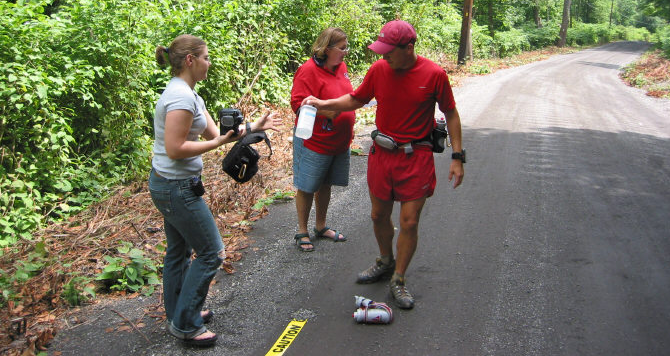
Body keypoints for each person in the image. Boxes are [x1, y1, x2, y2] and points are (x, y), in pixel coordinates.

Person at [302, 20, 464, 309]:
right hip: (382, 154)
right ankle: (385, 260)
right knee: (378, 215)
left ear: (409, 47)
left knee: (409, 221)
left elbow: (450, 113)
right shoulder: (379, 70)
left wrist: (457, 156)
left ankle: (398, 279)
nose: (384, 56)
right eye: (382, 50)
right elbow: (356, 98)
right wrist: (321, 104)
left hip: (416, 156)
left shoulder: (434, 74)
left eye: (389, 51)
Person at [149, 34, 279, 347]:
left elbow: (222, 133)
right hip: (176, 188)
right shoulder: (180, 98)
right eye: (206, 57)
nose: (209, 62)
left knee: (179, 252)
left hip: (170, 185)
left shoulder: (190, 95)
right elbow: (176, 148)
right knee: (212, 252)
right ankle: (185, 324)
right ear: (190, 60)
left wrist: (255, 127)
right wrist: (218, 144)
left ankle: (179, 312)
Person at [290, 28, 356, 251]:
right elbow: (297, 104)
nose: (346, 52)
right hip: (315, 141)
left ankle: (320, 226)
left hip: (338, 141)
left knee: (326, 183)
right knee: (307, 186)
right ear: (327, 49)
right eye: (342, 48)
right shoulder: (307, 70)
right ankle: (302, 230)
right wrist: (325, 112)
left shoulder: (341, 67)